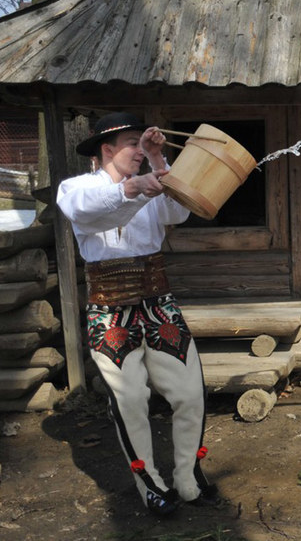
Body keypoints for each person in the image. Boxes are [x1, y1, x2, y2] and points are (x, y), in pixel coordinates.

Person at [56, 112, 218, 515]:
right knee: (130, 402)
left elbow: (178, 213)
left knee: (190, 392)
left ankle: (188, 476)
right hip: (109, 311)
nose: (138, 151)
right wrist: (136, 187)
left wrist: (159, 161)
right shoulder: (75, 188)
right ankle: (150, 486)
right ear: (106, 149)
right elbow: (94, 212)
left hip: (158, 304)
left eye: (140, 143)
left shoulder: (149, 180)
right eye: (132, 143)